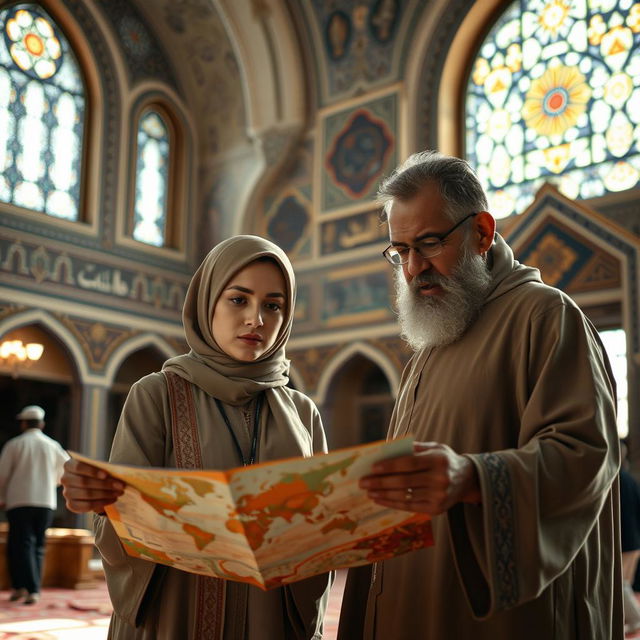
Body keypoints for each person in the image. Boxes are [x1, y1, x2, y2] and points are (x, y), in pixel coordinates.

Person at [337, 151, 622, 639]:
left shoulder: (545, 317)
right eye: (399, 251)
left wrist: (473, 478)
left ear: (483, 233)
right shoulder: (433, 340)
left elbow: (585, 457)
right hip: (415, 602)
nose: (413, 268)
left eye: (428, 243)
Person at [60, 235, 331, 640]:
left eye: (273, 306)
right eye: (238, 299)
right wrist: (106, 503)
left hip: (269, 618)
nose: (256, 319)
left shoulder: (302, 412)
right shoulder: (158, 395)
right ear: (208, 303)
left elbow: (321, 535)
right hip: (176, 615)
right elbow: (122, 524)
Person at [0, 405, 69, 605]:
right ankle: (31, 589)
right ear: (42, 424)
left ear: (23, 423)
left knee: (20, 545)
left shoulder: (14, 444)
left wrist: (2, 496)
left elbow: (2, 475)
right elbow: (66, 471)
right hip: (45, 502)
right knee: (37, 545)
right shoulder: (52, 445)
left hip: (18, 501)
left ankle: (25, 588)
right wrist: (51, 482)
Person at [619, 440, 640, 635]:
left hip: (625, 541)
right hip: (635, 541)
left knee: (621, 584)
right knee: (625, 583)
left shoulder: (616, 480)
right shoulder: (630, 480)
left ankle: (636, 619)